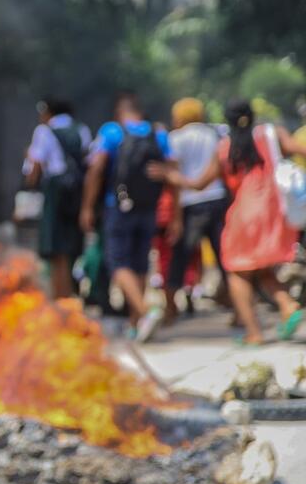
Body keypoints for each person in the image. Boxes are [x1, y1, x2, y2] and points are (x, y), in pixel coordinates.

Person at [151, 100, 305, 345]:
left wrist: (171, 176)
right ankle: (288, 306)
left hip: (243, 214)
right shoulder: (270, 134)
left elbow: (200, 183)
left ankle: (253, 332)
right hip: (274, 212)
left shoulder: (224, 148)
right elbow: (300, 149)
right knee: (261, 268)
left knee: (237, 272)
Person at [80, 91, 178, 342]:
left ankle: (145, 313)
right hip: (149, 208)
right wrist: (176, 215)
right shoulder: (158, 133)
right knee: (140, 263)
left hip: (119, 207)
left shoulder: (112, 131)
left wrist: (87, 207)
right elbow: (173, 174)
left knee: (118, 263)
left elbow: (96, 169)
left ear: (119, 112)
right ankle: (136, 324)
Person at [162, 98, 229, 321]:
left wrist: (176, 217)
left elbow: (174, 181)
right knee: (224, 257)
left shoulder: (176, 138)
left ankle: (170, 309)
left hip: (190, 204)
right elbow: (220, 168)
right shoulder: (212, 135)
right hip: (216, 198)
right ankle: (238, 306)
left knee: (180, 257)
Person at [23, 98, 91, 298]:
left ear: (48, 112)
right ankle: (71, 293)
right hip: (78, 191)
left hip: (55, 191)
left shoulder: (44, 131)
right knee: (71, 247)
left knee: (55, 249)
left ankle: (61, 298)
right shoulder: (82, 129)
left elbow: (35, 166)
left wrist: (30, 184)